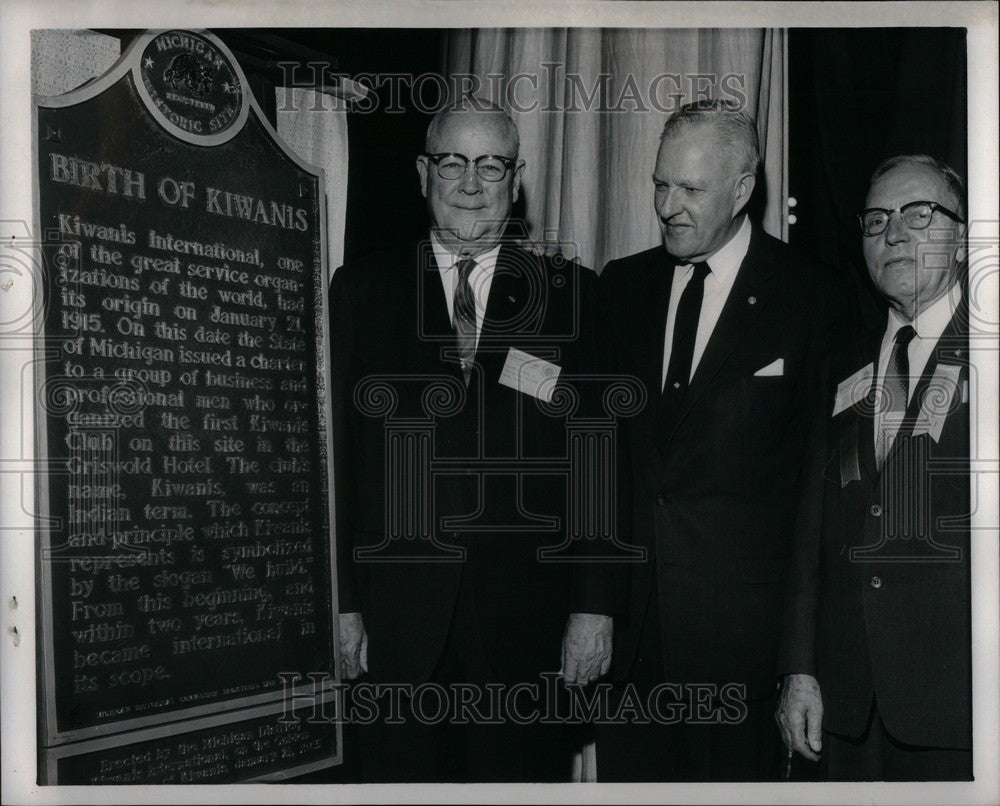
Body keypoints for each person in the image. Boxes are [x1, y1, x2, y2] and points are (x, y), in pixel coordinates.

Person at [330, 97, 623, 782]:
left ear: (515, 180)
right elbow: (337, 456)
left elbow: (602, 466)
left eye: (490, 166)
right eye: (453, 163)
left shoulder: (573, 295)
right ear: (422, 172)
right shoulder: (363, 291)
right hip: (396, 625)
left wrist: (593, 604)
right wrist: (342, 603)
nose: (470, 184)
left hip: (526, 626)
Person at [596, 99, 851, 781]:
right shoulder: (621, 288)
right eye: (659, 184)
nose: (667, 205)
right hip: (630, 649)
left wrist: (800, 663)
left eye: (690, 189)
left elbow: (816, 498)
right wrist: (590, 605)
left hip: (744, 655)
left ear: (742, 189)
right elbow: (596, 462)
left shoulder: (815, 300)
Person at [776, 154, 971, 781]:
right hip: (845, 705)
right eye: (877, 220)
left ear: (963, 235)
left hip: (963, 704)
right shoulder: (843, 357)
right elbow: (811, 527)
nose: (893, 234)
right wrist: (799, 666)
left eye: (920, 215)